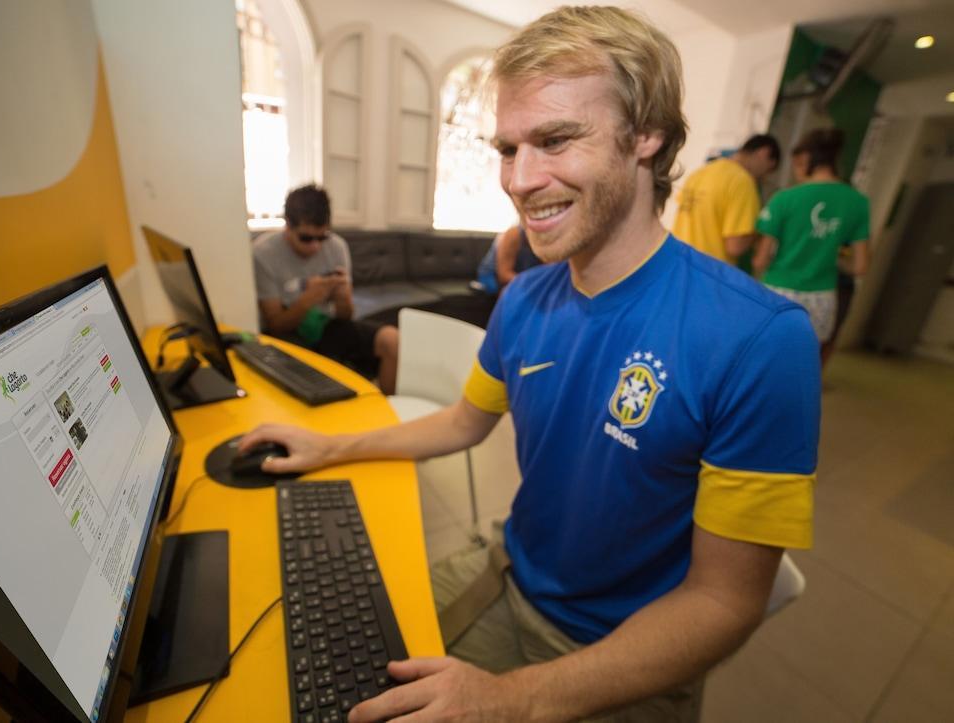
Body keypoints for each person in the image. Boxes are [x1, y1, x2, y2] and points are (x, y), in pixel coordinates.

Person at [243, 7, 820, 721]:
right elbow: (462, 421)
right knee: (329, 667)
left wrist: (513, 699)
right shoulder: (524, 301)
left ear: (648, 135)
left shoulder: (759, 339)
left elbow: (725, 601)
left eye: (554, 140)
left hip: (620, 647)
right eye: (508, 148)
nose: (518, 179)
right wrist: (330, 446)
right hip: (510, 565)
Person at [253, 184, 399, 394]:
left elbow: (346, 316)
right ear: (287, 226)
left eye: (322, 237)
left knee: (392, 340)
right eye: (306, 238)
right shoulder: (263, 253)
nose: (316, 247)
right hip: (287, 334)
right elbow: (275, 325)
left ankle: (388, 417)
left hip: (326, 326)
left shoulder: (337, 246)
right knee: (311, 370)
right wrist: (307, 300)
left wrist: (343, 299)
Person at [753, 128, 871, 366]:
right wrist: (828, 258)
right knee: (802, 366)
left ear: (804, 159)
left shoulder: (785, 198)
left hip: (778, 291)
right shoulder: (858, 203)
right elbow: (860, 266)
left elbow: (760, 260)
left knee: (761, 363)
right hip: (822, 297)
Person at [672, 134, 781, 265]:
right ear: (764, 153)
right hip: (709, 271)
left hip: (679, 261)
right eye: (768, 170)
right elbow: (735, 247)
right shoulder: (743, 182)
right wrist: (762, 231)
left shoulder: (700, 173)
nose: (763, 177)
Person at [475, 224, 543, 293]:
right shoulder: (514, 234)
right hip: (492, 276)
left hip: (523, 275)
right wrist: (531, 283)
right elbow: (503, 275)